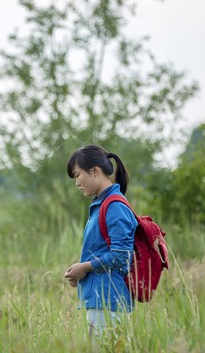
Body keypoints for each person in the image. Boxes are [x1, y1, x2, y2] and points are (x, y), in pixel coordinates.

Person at [63, 144, 137, 338]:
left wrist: (85, 267)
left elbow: (122, 256)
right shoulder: (101, 204)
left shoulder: (114, 206)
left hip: (109, 302)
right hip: (101, 300)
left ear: (95, 170)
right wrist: (82, 273)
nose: (77, 182)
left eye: (78, 175)